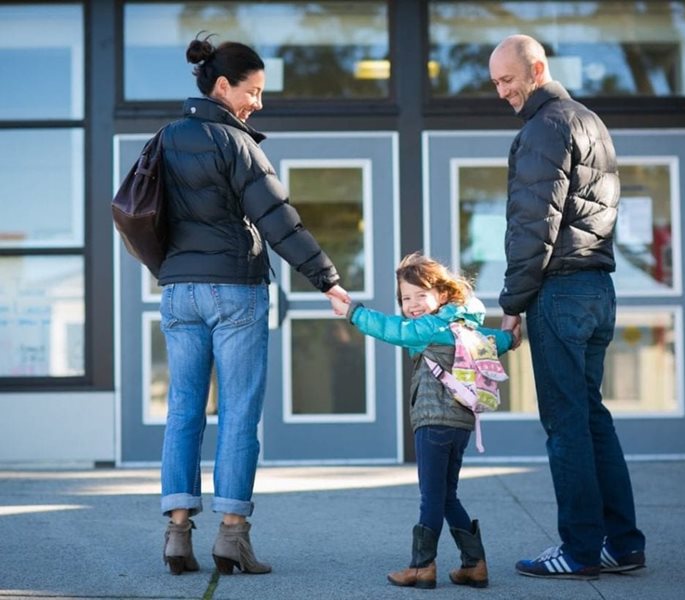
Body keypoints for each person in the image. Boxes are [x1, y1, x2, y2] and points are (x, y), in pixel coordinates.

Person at [158, 34, 349, 576]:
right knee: (238, 412)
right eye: (254, 91)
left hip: (179, 292)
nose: (258, 103)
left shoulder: (164, 140)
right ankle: (232, 535)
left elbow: (139, 214)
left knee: (182, 411)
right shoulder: (235, 143)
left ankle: (176, 534)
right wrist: (326, 278)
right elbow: (278, 219)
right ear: (223, 86)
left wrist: (169, 273)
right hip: (234, 290)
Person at [488, 34, 646, 580]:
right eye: (496, 83)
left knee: (567, 425)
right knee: (591, 417)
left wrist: (513, 302)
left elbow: (536, 224)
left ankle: (579, 550)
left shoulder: (545, 126)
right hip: (597, 289)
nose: (503, 92)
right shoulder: (590, 121)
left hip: (559, 291)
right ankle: (623, 545)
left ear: (536, 69)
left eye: (507, 80)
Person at [330, 252, 515, 589]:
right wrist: (512, 337)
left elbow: (392, 330)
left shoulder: (429, 328)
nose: (412, 305)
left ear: (442, 295)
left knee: (431, 496)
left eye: (420, 295)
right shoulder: (466, 327)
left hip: (433, 423)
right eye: (405, 298)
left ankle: (421, 566)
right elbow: (497, 341)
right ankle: (474, 565)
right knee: (446, 496)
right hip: (460, 425)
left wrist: (353, 312)